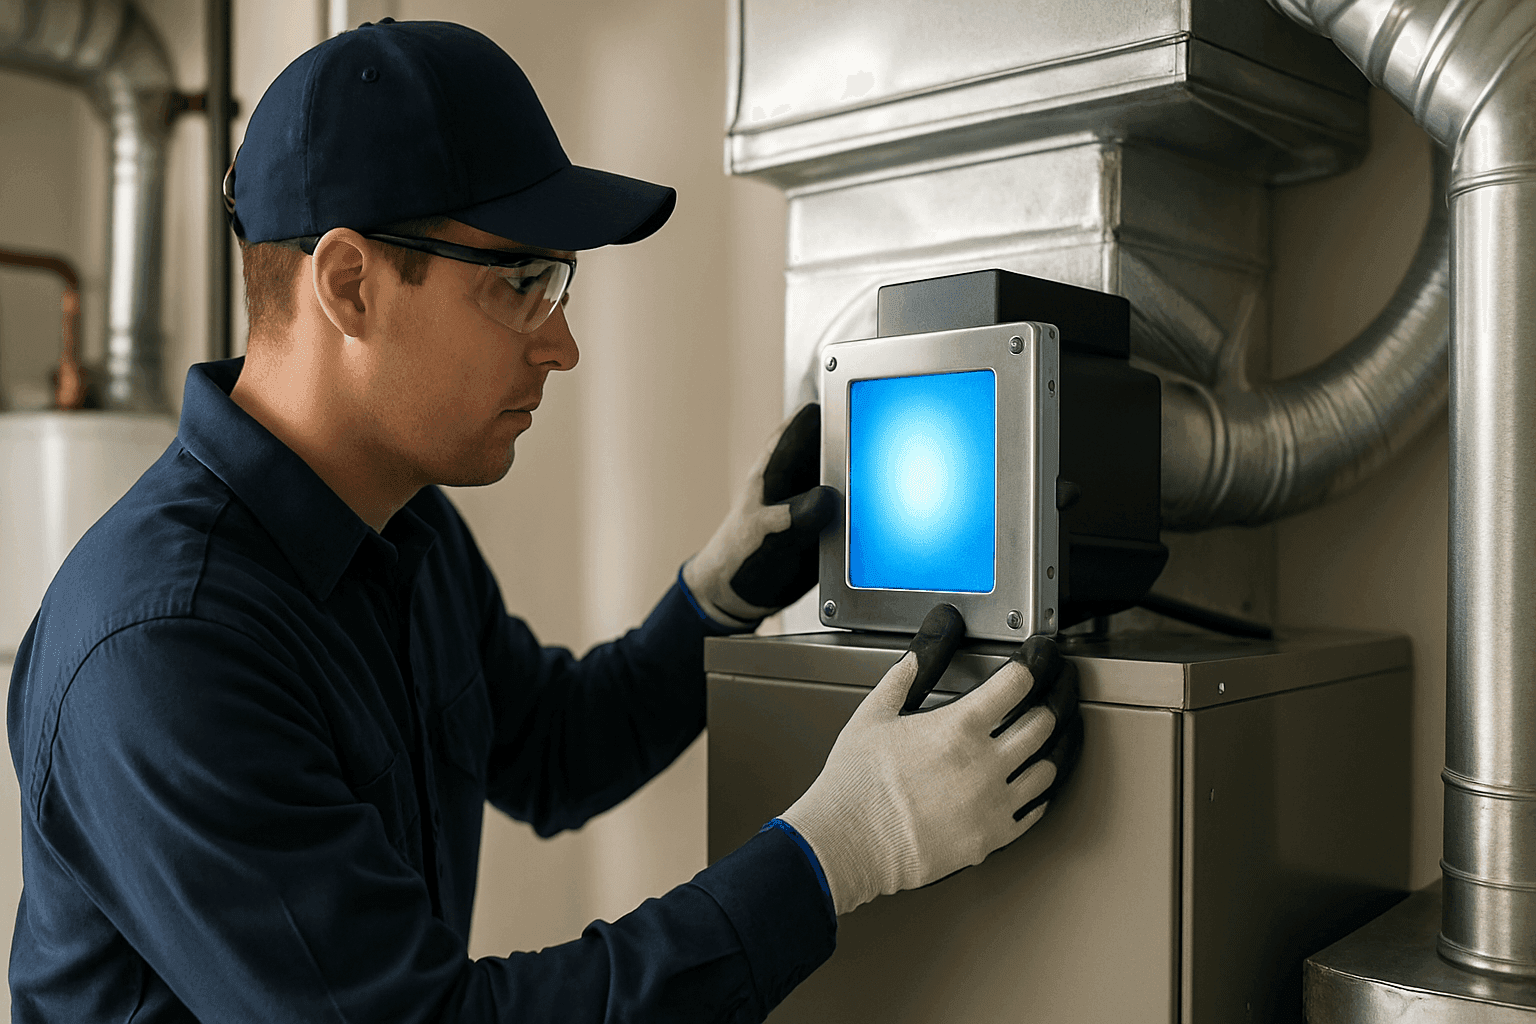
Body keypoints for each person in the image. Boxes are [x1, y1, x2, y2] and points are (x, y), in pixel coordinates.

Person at [6, 19, 1082, 1023]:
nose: (562, 345)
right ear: (350, 284)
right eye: (524, 283)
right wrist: (841, 851)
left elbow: (553, 750)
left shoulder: (402, 529)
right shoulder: (165, 647)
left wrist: (714, 597)